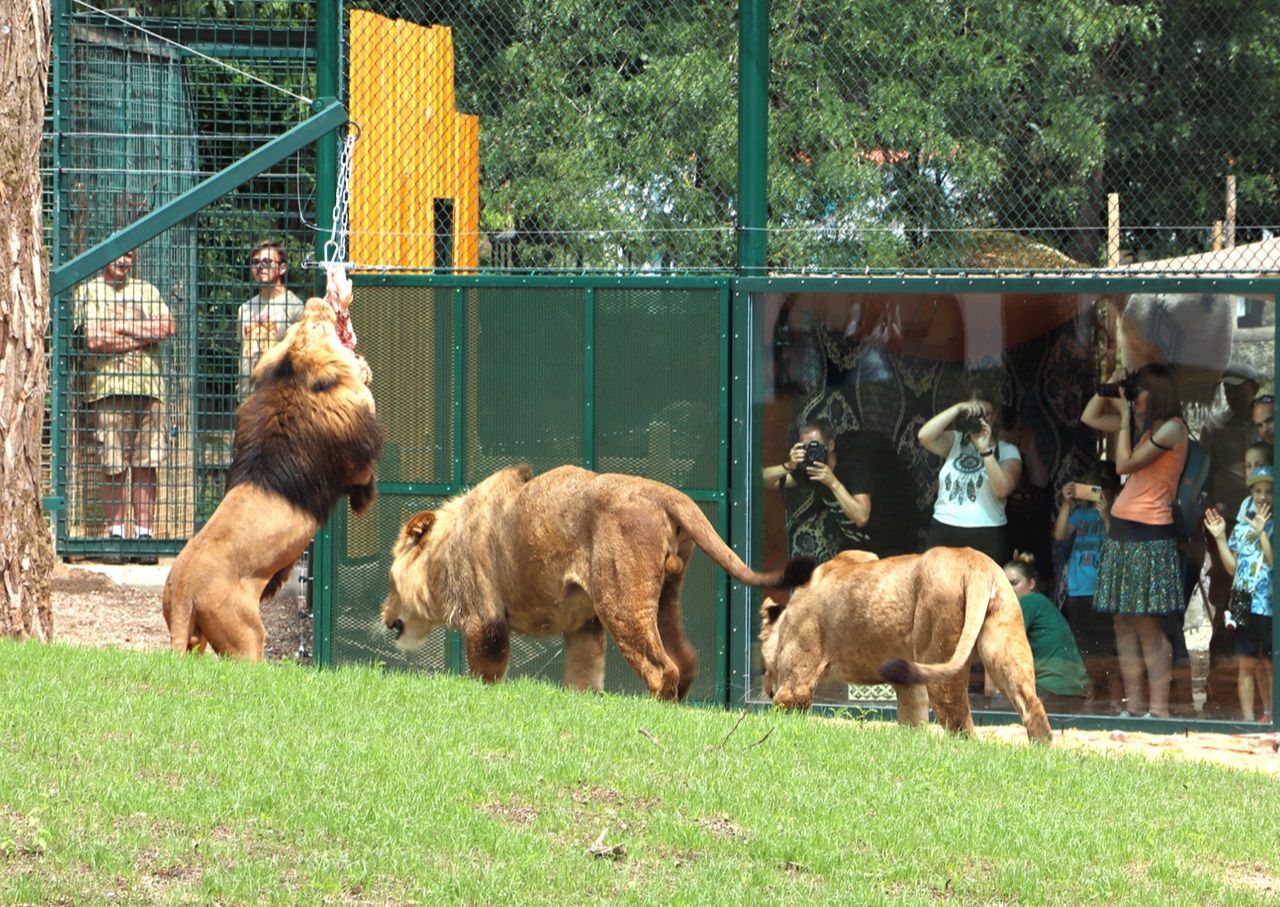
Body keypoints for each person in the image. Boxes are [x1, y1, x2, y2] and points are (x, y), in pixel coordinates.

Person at [1082, 363, 1188, 718]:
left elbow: (1123, 465)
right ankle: (1135, 706)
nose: (1134, 398)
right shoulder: (1147, 429)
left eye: (1138, 391)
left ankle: (1159, 710)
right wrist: (1111, 387)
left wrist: (1126, 417)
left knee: (1146, 624)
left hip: (1149, 535)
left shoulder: (1173, 429)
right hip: (1123, 532)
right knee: (1122, 624)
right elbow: (1090, 417)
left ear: (1157, 393)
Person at [74, 249, 175, 563]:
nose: (124, 260)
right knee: (113, 465)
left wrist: (119, 329)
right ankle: (116, 535)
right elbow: (92, 340)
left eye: (130, 255)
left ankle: (144, 537)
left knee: (148, 463)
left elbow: (167, 328)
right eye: (118, 254)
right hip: (107, 389)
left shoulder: (147, 290)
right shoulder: (88, 290)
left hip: (150, 389)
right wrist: (143, 335)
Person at [1200, 362, 1264, 716]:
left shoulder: (1266, 422)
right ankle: (1221, 691)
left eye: (1237, 387)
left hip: (1265, 528)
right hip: (1225, 529)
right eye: (1226, 388)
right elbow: (1203, 482)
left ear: (1253, 387)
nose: (1230, 393)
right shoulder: (1214, 427)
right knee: (1226, 606)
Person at [917, 390, 1022, 565]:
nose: (980, 419)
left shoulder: (1007, 450)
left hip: (986, 532)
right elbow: (924, 436)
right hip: (945, 526)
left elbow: (1002, 489)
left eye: (985, 414)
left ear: (994, 417)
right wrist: (958, 408)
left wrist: (985, 450)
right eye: (974, 413)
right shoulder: (955, 441)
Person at [1204, 465, 1274, 723]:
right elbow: (1233, 568)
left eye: (1269, 491)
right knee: (1246, 664)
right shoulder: (1242, 528)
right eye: (1258, 491)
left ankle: (1269, 714)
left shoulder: (1272, 526)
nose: (1263, 496)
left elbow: (1271, 561)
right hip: (1245, 604)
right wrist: (1221, 538)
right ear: (1250, 493)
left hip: (1268, 606)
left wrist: (1263, 532)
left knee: (1267, 664)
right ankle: (1247, 719)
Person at [1052, 463, 1121, 710]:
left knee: (1108, 646)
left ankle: (1114, 700)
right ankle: (1091, 694)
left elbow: (1115, 540)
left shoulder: (1116, 514)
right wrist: (1067, 503)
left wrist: (1106, 515)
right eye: (1093, 490)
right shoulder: (1080, 515)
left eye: (1102, 490)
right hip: (1078, 589)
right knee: (1084, 646)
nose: (1098, 495)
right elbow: (1060, 534)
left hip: (1102, 590)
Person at [762, 419, 872, 563]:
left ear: (831, 445)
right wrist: (788, 465)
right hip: (853, 550)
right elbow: (762, 481)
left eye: (816, 446)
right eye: (806, 448)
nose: (812, 453)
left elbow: (861, 517)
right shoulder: (811, 471)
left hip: (883, 544)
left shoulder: (853, 467)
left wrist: (833, 483)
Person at [1003, 553, 1089, 706]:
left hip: (1052, 689)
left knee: (995, 703)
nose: (1008, 589)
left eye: (1014, 583)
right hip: (1073, 690)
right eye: (1004, 584)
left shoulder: (1029, 600)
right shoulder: (1041, 602)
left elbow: (1001, 645)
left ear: (1031, 584)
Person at [239, 240, 305, 396]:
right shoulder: (244, 309)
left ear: (282, 268)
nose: (261, 266)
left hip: (278, 398)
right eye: (256, 262)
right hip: (247, 396)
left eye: (267, 261)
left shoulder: (294, 307)